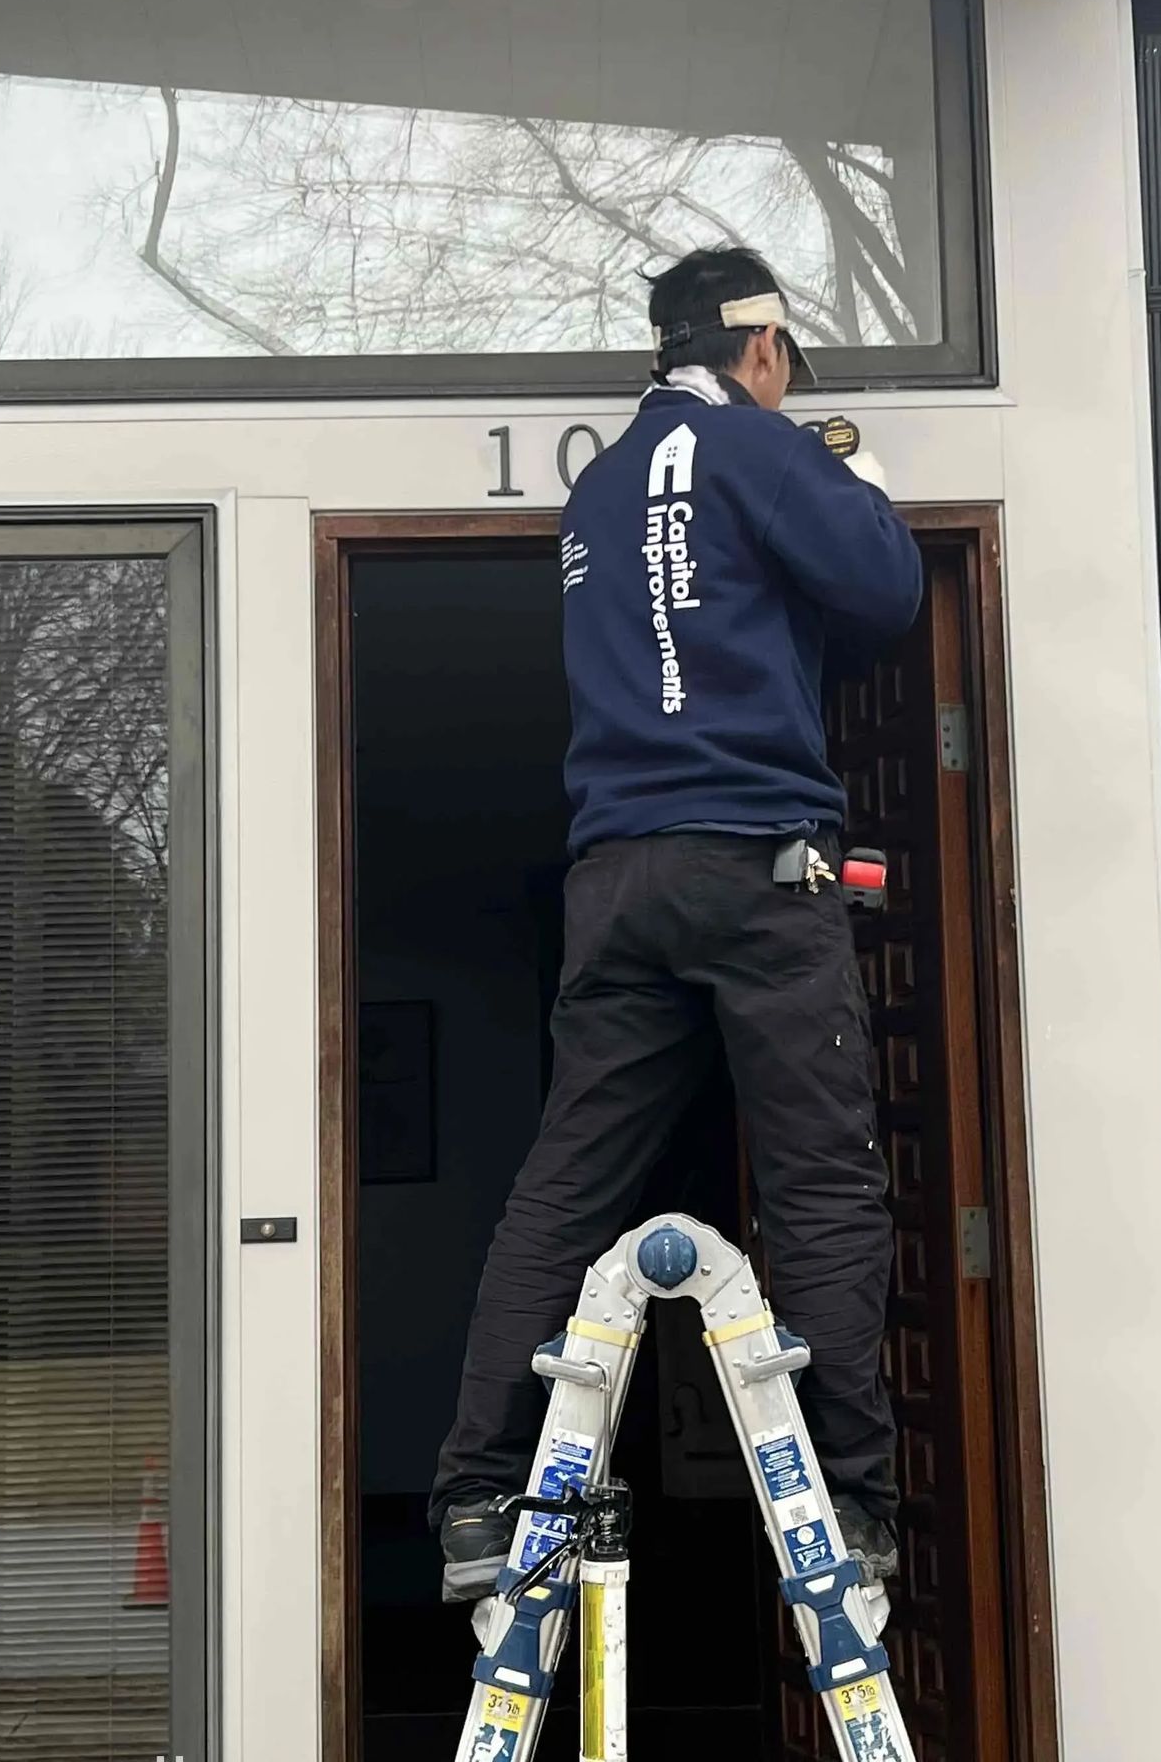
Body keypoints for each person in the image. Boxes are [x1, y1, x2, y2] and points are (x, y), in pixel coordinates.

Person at [430, 245, 924, 1601]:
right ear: (760, 350)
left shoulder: (595, 489)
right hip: (760, 866)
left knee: (566, 1184)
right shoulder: (759, 455)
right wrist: (857, 486)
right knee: (820, 1182)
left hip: (617, 882)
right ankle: (855, 1517)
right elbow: (884, 588)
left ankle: (476, 1494)